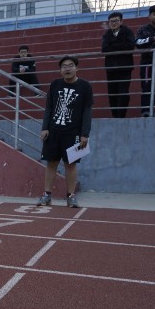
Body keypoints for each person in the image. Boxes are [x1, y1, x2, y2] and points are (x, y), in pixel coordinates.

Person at [36, 56, 93, 209]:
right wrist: (45, 127)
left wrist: (85, 134)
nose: (67, 68)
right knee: (51, 163)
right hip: (53, 131)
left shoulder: (85, 86)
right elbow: (49, 107)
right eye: (64, 66)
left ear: (76, 68)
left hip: (73, 133)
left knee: (71, 164)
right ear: (60, 70)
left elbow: (87, 111)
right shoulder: (55, 84)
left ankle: (71, 196)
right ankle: (47, 195)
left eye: (71, 65)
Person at [101, 12, 136, 118]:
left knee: (123, 93)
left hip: (125, 68)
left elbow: (130, 46)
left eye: (116, 21)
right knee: (112, 94)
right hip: (111, 68)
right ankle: (115, 116)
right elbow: (104, 49)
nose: (113, 23)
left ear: (121, 21)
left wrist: (113, 44)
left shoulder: (127, 32)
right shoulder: (107, 34)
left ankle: (122, 116)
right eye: (111, 21)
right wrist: (120, 44)